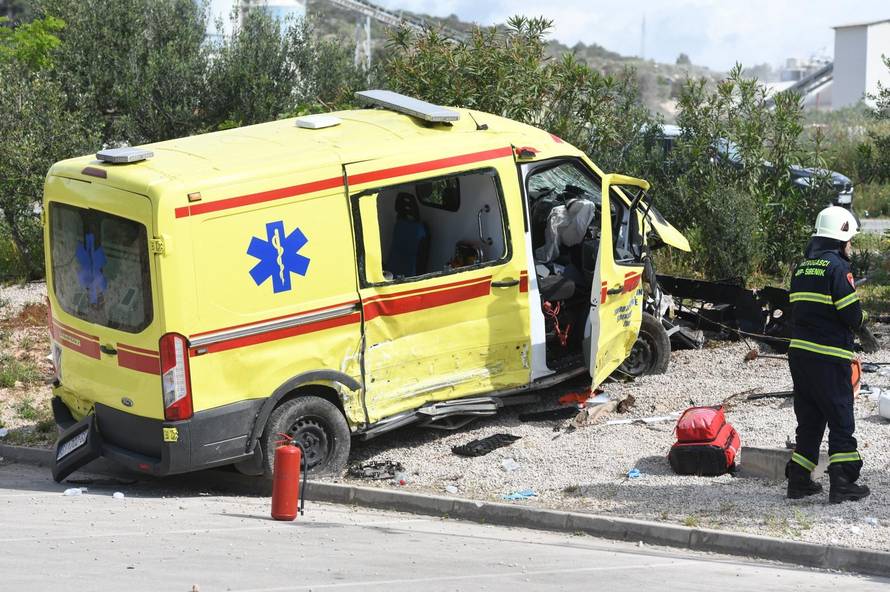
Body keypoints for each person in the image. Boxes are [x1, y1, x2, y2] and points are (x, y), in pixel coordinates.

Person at [786, 206, 877, 503]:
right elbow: (851, 313)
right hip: (828, 356)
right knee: (840, 418)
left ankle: (799, 480)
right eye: (849, 241)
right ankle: (843, 482)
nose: (850, 247)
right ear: (839, 239)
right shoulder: (838, 269)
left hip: (800, 356)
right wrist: (864, 327)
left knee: (810, 419)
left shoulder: (801, 268)